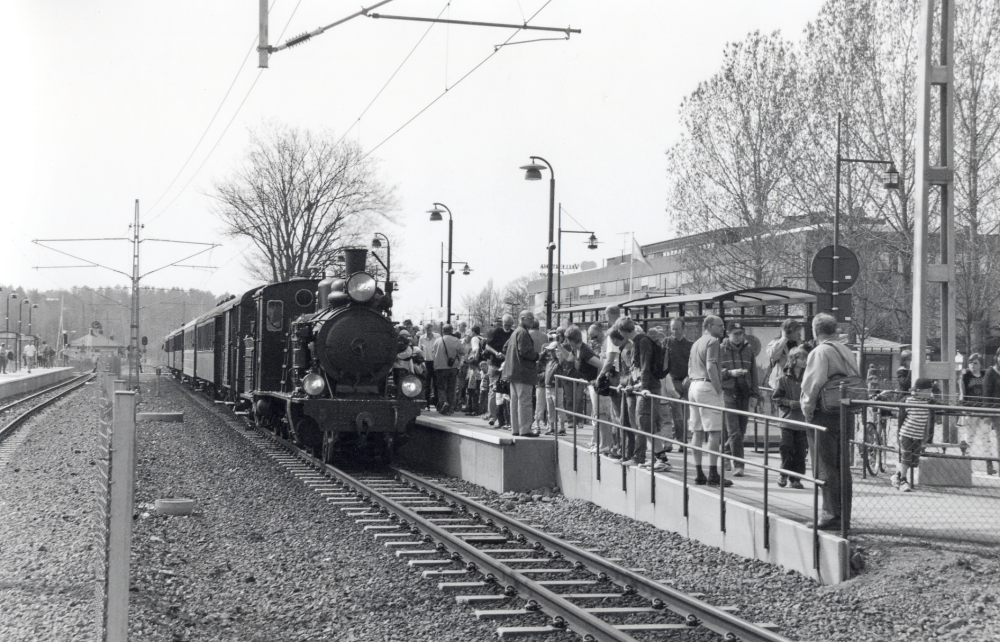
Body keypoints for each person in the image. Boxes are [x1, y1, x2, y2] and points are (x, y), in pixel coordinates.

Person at [800, 312, 858, 530]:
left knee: (824, 465)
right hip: (845, 411)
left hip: (824, 412)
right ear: (834, 329)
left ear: (815, 331)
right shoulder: (846, 350)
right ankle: (844, 516)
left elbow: (812, 385)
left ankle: (829, 514)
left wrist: (807, 411)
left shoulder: (820, 352)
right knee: (842, 466)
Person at [687, 315, 731, 486]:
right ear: (710, 326)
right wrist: (719, 389)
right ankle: (713, 473)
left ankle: (699, 472)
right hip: (706, 386)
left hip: (694, 385)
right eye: (720, 325)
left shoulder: (696, 343)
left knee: (697, 431)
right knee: (714, 432)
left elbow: (690, 367)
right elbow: (711, 365)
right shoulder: (713, 341)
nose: (722, 329)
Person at [617, 317, 665, 469]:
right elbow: (635, 368)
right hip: (641, 387)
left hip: (647, 388)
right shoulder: (637, 342)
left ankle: (639, 457)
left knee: (643, 422)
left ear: (621, 332)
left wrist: (643, 386)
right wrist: (628, 384)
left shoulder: (642, 341)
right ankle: (660, 457)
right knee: (645, 424)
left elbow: (644, 366)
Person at [720, 321, 759, 477]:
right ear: (728, 334)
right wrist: (729, 373)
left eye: (741, 333)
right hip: (727, 392)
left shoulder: (748, 349)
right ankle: (739, 465)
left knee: (741, 431)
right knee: (734, 430)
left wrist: (755, 394)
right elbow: (714, 371)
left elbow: (754, 373)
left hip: (744, 393)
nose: (739, 336)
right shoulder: (720, 349)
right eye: (735, 333)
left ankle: (725, 453)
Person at [771, 346, 809, 489]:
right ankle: (783, 473)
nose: (805, 361)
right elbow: (776, 398)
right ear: (793, 360)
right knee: (786, 447)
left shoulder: (808, 377)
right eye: (802, 358)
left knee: (800, 450)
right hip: (787, 419)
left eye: (806, 358)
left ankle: (796, 478)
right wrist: (789, 403)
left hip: (803, 420)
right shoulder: (783, 378)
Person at [892, 377, 937, 492]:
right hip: (906, 433)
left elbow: (941, 405)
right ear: (919, 391)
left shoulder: (928, 402)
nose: (929, 394)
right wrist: (898, 435)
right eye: (927, 391)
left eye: (930, 391)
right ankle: (903, 480)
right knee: (906, 457)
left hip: (918, 436)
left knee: (913, 460)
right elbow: (901, 418)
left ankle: (896, 475)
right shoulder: (908, 401)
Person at [503, 310, 540, 437]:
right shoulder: (523, 333)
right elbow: (525, 352)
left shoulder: (515, 332)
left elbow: (505, 347)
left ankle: (516, 429)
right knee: (525, 401)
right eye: (530, 318)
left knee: (515, 402)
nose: (532, 321)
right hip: (523, 372)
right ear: (522, 318)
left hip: (512, 372)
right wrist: (538, 356)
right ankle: (525, 429)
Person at [565, 325, 603, 445]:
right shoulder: (576, 349)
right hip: (590, 384)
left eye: (567, 340)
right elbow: (569, 358)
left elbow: (600, 364)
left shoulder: (585, 352)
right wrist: (558, 346)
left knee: (598, 413)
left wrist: (597, 380)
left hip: (595, 384)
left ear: (571, 340)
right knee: (595, 413)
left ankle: (598, 441)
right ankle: (595, 440)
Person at [958, 353, 991, 474]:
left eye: (975, 363)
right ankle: (966, 462)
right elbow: (961, 389)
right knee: (969, 437)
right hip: (971, 409)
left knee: (985, 436)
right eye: (970, 363)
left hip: (983, 410)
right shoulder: (966, 376)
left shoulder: (985, 375)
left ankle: (989, 463)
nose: (972, 365)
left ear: (981, 364)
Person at [664, 317, 692, 451]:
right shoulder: (667, 342)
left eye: (677, 329)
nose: (674, 332)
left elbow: (694, 364)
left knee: (685, 415)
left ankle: (682, 440)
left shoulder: (690, 345)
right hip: (672, 380)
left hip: (686, 381)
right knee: (677, 414)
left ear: (683, 329)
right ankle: (681, 441)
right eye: (672, 329)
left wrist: (689, 377)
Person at [484, 315, 514, 425]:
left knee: (506, 391)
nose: (508, 327)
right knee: (493, 389)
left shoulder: (513, 333)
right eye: (506, 325)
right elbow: (487, 346)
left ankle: (505, 418)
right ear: (502, 324)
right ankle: (492, 416)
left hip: (507, 364)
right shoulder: (496, 332)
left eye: (510, 325)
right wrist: (496, 353)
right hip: (495, 363)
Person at [431, 324, 462, 414]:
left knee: (441, 387)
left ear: (443, 331)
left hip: (440, 368)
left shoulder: (437, 341)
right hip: (453, 368)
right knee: (451, 387)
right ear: (451, 330)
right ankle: (450, 408)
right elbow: (463, 352)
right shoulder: (456, 340)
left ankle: (444, 402)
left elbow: (434, 354)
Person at [766, 319, 801, 390]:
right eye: (796, 331)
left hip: (796, 381)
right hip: (780, 382)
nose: (799, 334)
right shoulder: (777, 343)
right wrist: (784, 338)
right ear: (788, 332)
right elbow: (772, 355)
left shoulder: (800, 343)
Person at [980, 348, 1000, 476]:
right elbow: (986, 394)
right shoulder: (990, 373)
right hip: (996, 411)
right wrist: (986, 413)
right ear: (997, 357)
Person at [418, 323, 439, 410]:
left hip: (436, 362)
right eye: (427, 330)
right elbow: (419, 350)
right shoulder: (422, 338)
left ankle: (437, 404)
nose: (429, 332)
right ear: (425, 330)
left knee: (436, 383)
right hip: (426, 362)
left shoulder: (437, 337)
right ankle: (427, 404)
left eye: (430, 330)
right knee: (427, 384)